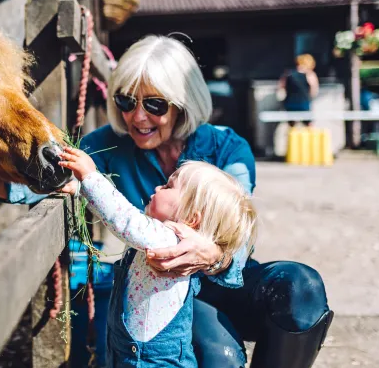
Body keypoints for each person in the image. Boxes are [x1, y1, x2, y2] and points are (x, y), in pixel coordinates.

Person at [0, 35, 333, 368]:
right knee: (218, 354)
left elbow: (239, 228)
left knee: (301, 288)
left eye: (155, 104)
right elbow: (37, 184)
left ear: (183, 104)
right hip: (165, 294)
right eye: (126, 101)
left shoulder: (225, 147)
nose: (137, 117)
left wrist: (214, 253)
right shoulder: (107, 145)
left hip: (223, 280)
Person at [58, 146, 258, 367]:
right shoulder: (158, 235)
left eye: (168, 186)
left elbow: (123, 218)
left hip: (154, 361)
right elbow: (117, 217)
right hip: (130, 351)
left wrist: (90, 177)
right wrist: (81, 189)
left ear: (191, 218)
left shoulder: (169, 240)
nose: (157, 187)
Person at [278, 54, 319, 126]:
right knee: (309, 126)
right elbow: (314, 91)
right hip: (304, 104)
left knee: (292, 127)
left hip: (289, 104)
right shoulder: (310, 75)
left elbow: (281, 87)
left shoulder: (288, 74)